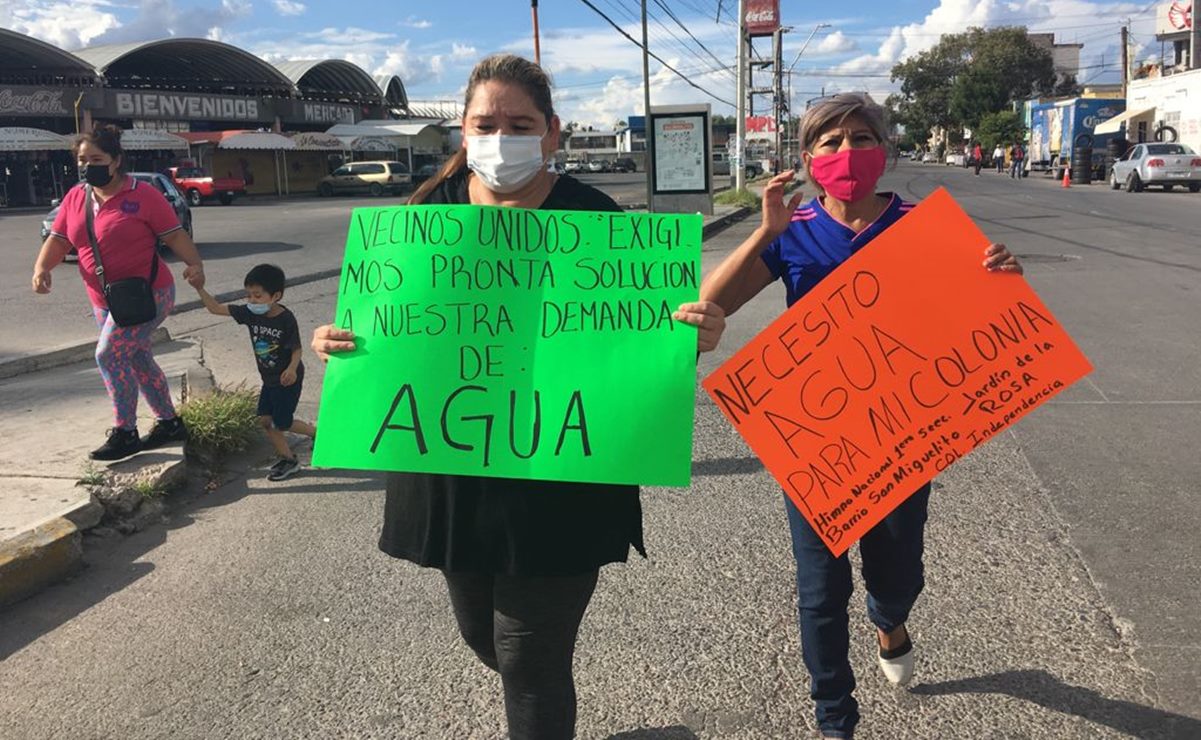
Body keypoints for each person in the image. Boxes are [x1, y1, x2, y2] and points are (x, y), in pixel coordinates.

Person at [311, 54, 725, 740]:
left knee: (528, 658)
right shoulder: (422, 219)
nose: (501, 137)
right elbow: (382, 325)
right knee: (483, 638)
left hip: (561, 482)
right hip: (454, 475)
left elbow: (638, 338)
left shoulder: (597, 221)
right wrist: (340, 345)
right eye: (485, 123)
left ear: (552, 133)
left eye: (520, 124)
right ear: (463, 133)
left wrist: (691, 333)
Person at [698, 93, 1022, 739]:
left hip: (905, 437)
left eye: (861, 137)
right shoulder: (791, 235)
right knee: (818, 593)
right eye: (830, 142)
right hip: (814, 446)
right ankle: (833, 719)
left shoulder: (927, 225)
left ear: (884, 148)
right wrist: (763, 230)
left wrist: (1002, 276)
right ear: (807, 158)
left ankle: (889, 616)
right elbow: (707, 309)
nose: (847, 152)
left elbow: (978, 315)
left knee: (898, 573)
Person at [31, 125, 205, 460]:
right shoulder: (76, 197)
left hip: (149, 294)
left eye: (96, 158)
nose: (87, 165)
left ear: (116, 160)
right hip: (105, 299)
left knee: (109, 355)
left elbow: (174, 235)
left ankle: (125, 431)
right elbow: (60, 239)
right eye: (82, 159)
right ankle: (169, 422)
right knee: (136, 357)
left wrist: (195, 265)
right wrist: (42, 269)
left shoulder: (144, 195)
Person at [195, 264, 316, 481]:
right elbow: (214, 308)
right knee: (265, 421)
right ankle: (288, 458)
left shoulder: (285, 318)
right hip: (269, 379)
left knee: (283, 423)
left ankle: (317, 434)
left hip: (287, 378)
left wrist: (291, 369)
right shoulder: (250, 313)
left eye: (258, 296)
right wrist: (199, 288)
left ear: (275, 295)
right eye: (248, 295)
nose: (252, 300)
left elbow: (296, 348)